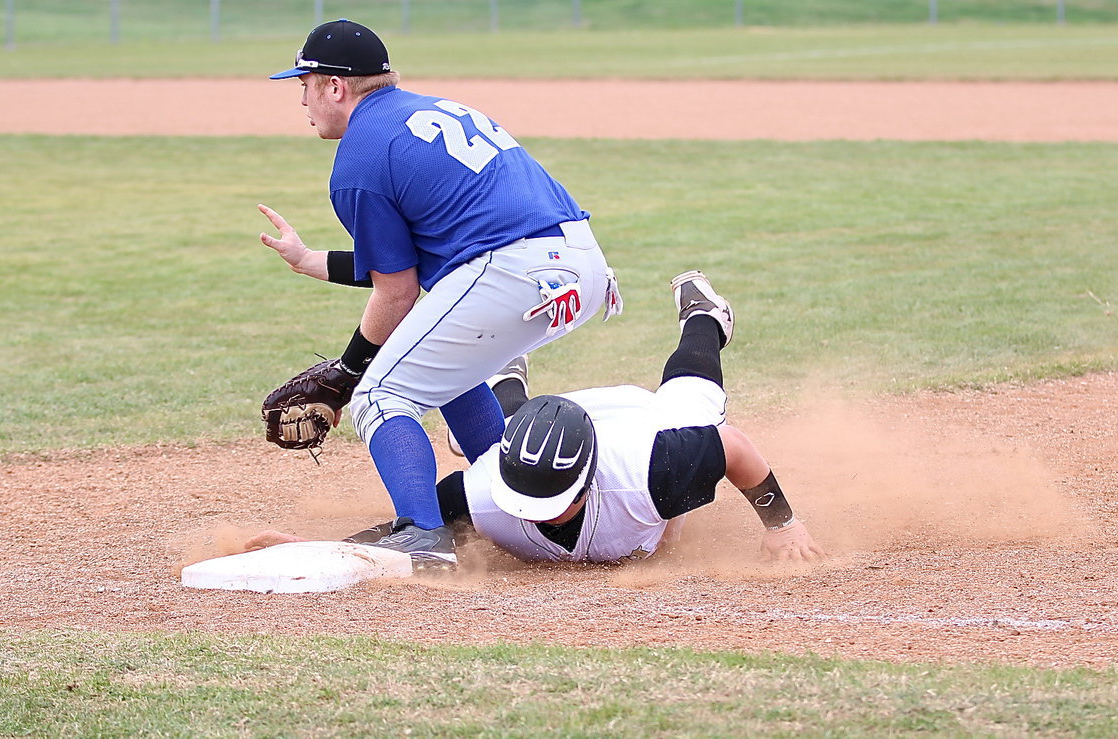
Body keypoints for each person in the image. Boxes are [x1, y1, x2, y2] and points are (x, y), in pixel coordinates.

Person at [256, 19, 618, 571]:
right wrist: (313, 261)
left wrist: (348, 377)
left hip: (513, 269)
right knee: (442, 366)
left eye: (305, 82)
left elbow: (397, 295)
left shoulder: (359, 157)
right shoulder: (423, 112)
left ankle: (422, 536)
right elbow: (418, 262)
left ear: (336, 87)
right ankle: (526, 505)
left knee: (382, 396)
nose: (301, 97)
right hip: (579, 263)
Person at [246, 271, 824, 565]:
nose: (535, 515)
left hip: (636, 425)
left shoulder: (654, 466)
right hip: (557, 425)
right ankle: (508, 376)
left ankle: (703, 315)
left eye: (551, 500)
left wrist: (783, 524)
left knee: (695, 391)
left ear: (587, 483)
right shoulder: (491, 489)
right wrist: (320, 550)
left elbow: (737, 450)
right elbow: (408, 535)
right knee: (513, 426)